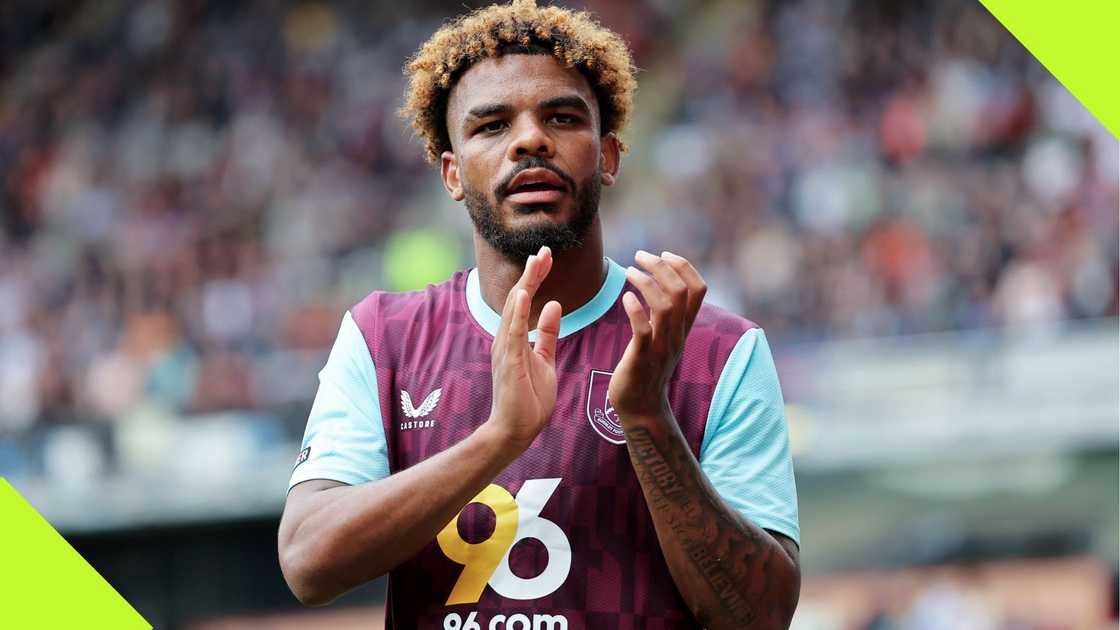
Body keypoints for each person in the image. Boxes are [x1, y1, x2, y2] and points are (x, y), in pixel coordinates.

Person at [277, 1, 801, 628]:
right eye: (491, 125)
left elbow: (761, 615)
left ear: (607, 156)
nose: (530, 139)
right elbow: (308, 562)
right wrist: (498, 440)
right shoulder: (382, 338)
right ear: (452, 172)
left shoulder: (711, 349)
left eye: (561, 117)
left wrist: (647, 417)